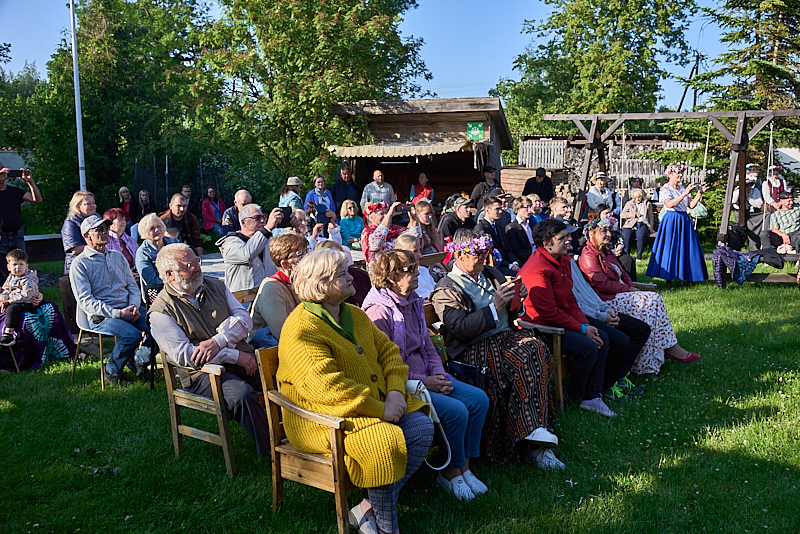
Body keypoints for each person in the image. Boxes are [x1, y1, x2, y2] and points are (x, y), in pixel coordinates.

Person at [277, 248, 433, 534]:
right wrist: (380, 409)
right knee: (383, 441)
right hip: (320, 417)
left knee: (421, 426)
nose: (352, 276)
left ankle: (366, 507)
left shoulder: (354, 314)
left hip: (368, 405)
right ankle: (388, 527)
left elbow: (389, 352)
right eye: (342, 274)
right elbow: (326, 389)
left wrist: (396, 392)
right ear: (321, 285)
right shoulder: (302, 328)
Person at [363, 250, 489, 501]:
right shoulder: (378, 311)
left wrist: (439, 374)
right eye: (408, 269)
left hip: (428, 376)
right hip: (402, 383)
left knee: (478, 399)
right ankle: (450, 472)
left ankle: (464, 466)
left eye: (415, 266)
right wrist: (426, 381)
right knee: (456, 411)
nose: (416, 272)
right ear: (390, 277)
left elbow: (427, 346)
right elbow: (385, 363)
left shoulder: (412, 300)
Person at [430, 229, 562, 468]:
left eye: (485, 251)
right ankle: (528, 438)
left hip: (503, 337)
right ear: (459, 255)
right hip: (472, 348)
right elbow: (459, 329)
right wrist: (495, 306)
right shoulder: (446, 288)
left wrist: (517, 300)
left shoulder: (490, 273)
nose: (484, 256)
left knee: (536, 349)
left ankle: (535, 435)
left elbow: (512, 313)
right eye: (478, 252)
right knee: (527, 352)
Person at [149, 243, 270, 455]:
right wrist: (234, 355)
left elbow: (245, 320)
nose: (197, 268)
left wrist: (219, 341)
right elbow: (187, 356)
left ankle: (297, 433)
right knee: (241, 394)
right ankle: (272, 449)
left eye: (197, 262)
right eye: (188, 265)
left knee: (279, 378)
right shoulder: (160, 312)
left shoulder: (216, 285)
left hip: (241, 357)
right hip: (201, 374)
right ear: (169, 274)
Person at [519, 219, 617, 417]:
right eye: (562, 238)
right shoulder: (538, 269)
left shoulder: (562, 259)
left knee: (601, 337)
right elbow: (548, 313)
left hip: (559, 319)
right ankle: (577, 395)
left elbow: (569, 298)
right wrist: (581, 330)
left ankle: (591, 395)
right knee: (588, 347)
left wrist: (586, 325)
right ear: (546, 243)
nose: (569, 240)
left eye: (568, 236)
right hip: (541, 327)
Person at [579, 217, 701, 374]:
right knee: (653, 300)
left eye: (609, 231)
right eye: (604, 231)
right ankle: (666, 350)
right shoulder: (589, 255)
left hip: (618, 294)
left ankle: (653, 358)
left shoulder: (606, 252)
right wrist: (628, 290)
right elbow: (601, 284)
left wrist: (631, 286)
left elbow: (623, 273)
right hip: (605, 300)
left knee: (652, 307)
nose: (608, 234)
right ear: (591, 233)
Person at [70, 215, 151, 385]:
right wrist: (119, 313)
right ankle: (112, 372)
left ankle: (139, 361)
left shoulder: (117, 256)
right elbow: (86, 301)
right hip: (102, 316)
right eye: (99, 229)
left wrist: (134, 306)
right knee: (133, 336)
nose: (105, 232)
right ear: (86, 236)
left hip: (129, 308)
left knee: (161, 325)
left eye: (106, 228)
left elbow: (132, 286)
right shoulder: (79, 264)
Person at [567, 253, 650, 398]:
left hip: (599, 309)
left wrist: (607, 310)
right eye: (603, 231)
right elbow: (575, 302)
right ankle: (605, 386)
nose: (569, 240)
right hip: (584, 315)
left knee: (641, 329)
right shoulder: (585, 257)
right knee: (618, 340)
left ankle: (618, 377)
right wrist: (603, 316)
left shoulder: (571, 260)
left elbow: (588, 292)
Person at [646, 164, 709, 282]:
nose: (680, 175)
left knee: (687, 247)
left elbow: (690, 205)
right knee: (670, 247)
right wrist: (684, 194)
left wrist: (700, 193)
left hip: (684, 219)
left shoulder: (683, 188)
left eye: (681, 173)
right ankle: (668, 278)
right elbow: (669, 204)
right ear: (670, 175)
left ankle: (689, 276)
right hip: (672, 219)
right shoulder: (665, 189)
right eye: (678, 173)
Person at [248, 233, 307, 349]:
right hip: (270, 349)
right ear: (285, 265)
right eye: (300, 254)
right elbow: (282, 332)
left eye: (306, 251)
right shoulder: (272, 287)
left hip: (295, 342)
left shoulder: (302, 282)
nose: (307, 257)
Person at [217, 203, 283, 294]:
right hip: (243, 300)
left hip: (270, 294)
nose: (262, 221)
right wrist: (267, 229)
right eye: (257, 218)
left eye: (263, 217)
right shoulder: (230, 243)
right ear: (243, 222)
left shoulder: (267, 239)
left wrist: (295, 229)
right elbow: (247, 255)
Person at [0, 164, 42, 285]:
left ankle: (23, 292)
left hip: (16, 236)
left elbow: (36, 199)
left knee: (20, 266)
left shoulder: (14, 191)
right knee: (2, 269)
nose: (3, 173)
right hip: (2, 237)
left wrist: (30, 182)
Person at [0, 249, 41, 346]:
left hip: (27, 303)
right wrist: (2, 299)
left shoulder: (28, 278)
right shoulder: (11, 278)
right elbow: (6, 290)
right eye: (14, 264)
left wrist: (9, 301)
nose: (18, 267)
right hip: (15, 301)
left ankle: (9, 333)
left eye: (21, 264)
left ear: (26, 266)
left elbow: (26, 295)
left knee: (12, 309)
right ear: (8, 267)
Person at [476, 196, 519, 276]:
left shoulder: (500, 228)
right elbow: (489, 254)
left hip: (508, 263)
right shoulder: (481, 229)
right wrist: (508, 265)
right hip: (494, 267)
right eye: (497, 209)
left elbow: (508, 247)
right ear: (487, 210)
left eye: (501, 209)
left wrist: (514, 262)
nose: (500, 212)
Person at [135, 213, 180, 286]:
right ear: (145, 232)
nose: (157, 230)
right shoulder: (143, 253)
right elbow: (152, 281)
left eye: (159, 226)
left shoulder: (174, 243)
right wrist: (175, 284)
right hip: (159, 290)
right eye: (152, 228)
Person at [61, 191, 97, 275]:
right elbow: (75, 249)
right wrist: (98, 247)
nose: (93, 206)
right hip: (78, 267)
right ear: (78, 207)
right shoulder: (70, 223)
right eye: (88, 204)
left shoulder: (97, 219)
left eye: (93, 203)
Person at [160, 193, 204, 257]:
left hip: (189, 251)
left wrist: (201, 257)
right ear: (170, 206)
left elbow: (197, 240)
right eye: (179, 206)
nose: (182, 209)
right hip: (169, 254)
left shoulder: (191, 218)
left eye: (184, 206)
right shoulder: (161, 221)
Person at [621, 188, 654, 260]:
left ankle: (639, 256)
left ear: (642, 196)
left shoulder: (647, 203)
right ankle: (626, 256)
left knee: (640, 236)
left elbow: (650, 217)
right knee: (627, 236)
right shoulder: (629, 203)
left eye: (639, 197)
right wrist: (634, 214)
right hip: (631, 223)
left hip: (642, 223)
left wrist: (651, 227)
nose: (637, 199)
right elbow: (622, 214)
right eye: (635, 197)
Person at [103, 208, 139, 274]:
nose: (124, 222)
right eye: (120, 220)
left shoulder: (131, 241)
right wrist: (127, 273)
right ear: (110, 223)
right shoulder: (105, 242)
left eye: (124, 219)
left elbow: (139, 259)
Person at [731, 179, 764, 250]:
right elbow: (733, 202)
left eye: (750, 186)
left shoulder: (755, 191)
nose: (748, 188)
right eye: (746, 186)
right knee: (738, 217)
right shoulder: (737, 192)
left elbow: (759, 204)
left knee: (766, 215)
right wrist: (740, 208)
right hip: (742, 212)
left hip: (754, 213)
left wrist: (748, 198)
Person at [505, 196, 535, 265]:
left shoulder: (533, 225)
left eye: (530, 206)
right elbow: (517, 251)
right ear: (518, 209)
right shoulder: (512, 227)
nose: (530, 210)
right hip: (525, 262)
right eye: (527, 207)